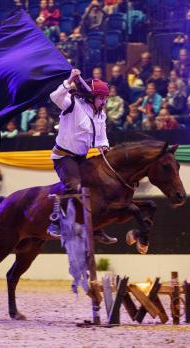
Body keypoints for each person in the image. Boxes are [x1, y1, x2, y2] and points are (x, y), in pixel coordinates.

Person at [47, 68, 116, 244]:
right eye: (102, 98)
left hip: (81, 157)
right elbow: (54, 97)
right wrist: (69, 80)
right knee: (75, 186)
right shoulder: (73, 104)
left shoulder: (101, 115)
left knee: (98, 185)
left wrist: (105, 146)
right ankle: (55, 222)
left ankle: (97, 228)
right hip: (63, 157)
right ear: (92, 97)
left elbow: (101, 136)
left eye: (106, 98)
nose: (104, 101)